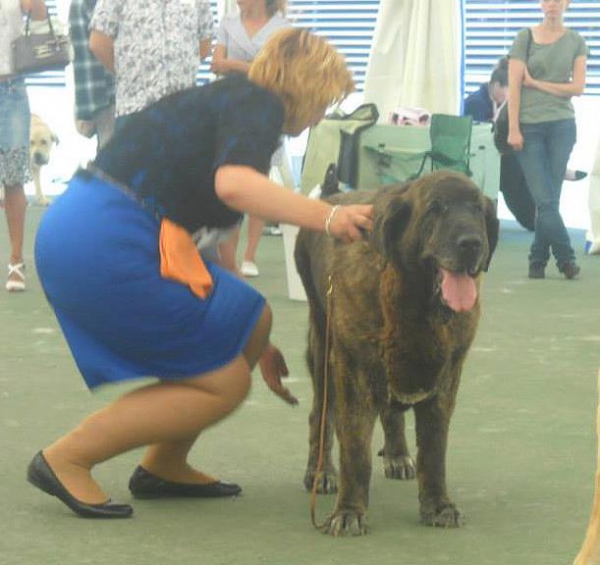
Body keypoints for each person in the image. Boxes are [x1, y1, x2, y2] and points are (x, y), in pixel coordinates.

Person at [26, 28, 374, 519]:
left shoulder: (230, 104)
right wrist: (329, 216)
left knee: (251, 318)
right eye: (326, 101)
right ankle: (67, 458)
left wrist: (243, 332)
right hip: (105, 242)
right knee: (226, 383)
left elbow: (207, 227)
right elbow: (234, 186)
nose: (322, 116)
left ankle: (164, 465)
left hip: (91, 230)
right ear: (307, 84)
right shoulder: (258, 104)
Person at [507, 0, 587, 280]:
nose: (552, 4)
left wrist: (538, 83)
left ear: (567, 4)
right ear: (541, 4)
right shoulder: (524, 37)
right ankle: (566, 258)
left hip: (563, 126)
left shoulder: (576, 41)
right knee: (545, 199)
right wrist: (513, 128)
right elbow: (514, 86)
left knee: (549, 200)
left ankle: (537, 260)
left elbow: (577, 88)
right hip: (529, 128)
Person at [211, 0, 291, 278]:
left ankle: (250, 255)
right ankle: (228, 256)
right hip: (231, 108)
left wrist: (233, 64)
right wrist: (253, 67)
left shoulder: (282, 29)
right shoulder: (227, 23)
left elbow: (277, 74)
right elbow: (215, 65)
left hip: (266, 110)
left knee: (259, 181)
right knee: (230, 183)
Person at [89, 0, 214, 129]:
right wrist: (127, 72)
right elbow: (98, 43)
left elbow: (205, 44)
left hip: (184, 111)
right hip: (136, 111)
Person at [0, 0, 47, 292]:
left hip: (11, 88)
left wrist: (36, 5)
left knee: (14, 178)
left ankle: (16, 260)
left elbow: (42, 22)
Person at [68, 0, 115, 150]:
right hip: (110, 98)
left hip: (103, 98)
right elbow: (86, 56)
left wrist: (84, 110)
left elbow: (81, 58)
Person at [463, 56, 509, 123]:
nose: (508, 97)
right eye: (509, 91)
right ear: (497, 85)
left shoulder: (499, 105)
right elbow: (479, 132)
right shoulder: (475, 104)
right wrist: (494, 121)